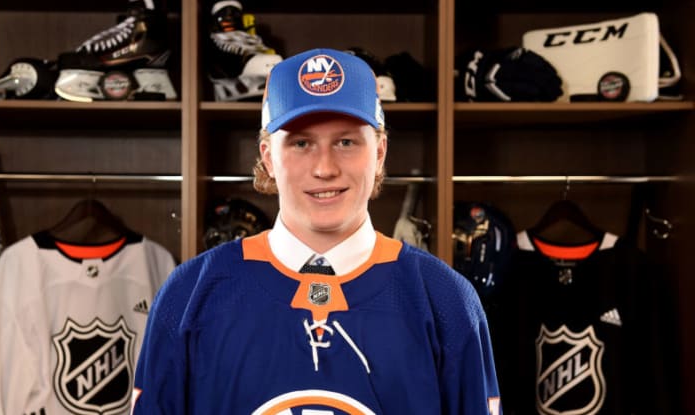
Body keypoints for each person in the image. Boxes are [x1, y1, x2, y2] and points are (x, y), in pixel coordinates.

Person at [132, 48, 502, 414]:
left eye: (346, 142)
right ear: (267, 156)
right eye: (301, 143)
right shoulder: (188, 296)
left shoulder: (446, 301)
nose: (325, 168)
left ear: (379, 152)